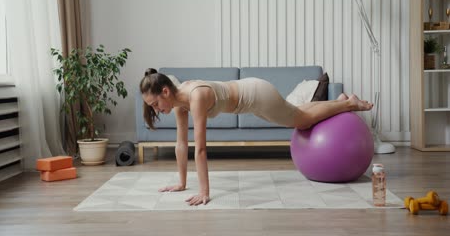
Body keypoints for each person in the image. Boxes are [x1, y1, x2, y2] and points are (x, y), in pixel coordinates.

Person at [139, 68, 373, 206]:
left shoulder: (196, 97)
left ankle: (350, 103)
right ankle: (341, 101)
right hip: (247, 101)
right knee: (298, 114)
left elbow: (199, 149)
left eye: (155, 103)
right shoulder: (180, 102)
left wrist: (204, 192)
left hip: (255, 95)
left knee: (301, 120)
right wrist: (181, 183)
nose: (157, 109)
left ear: (166, 91)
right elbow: (181, 144)